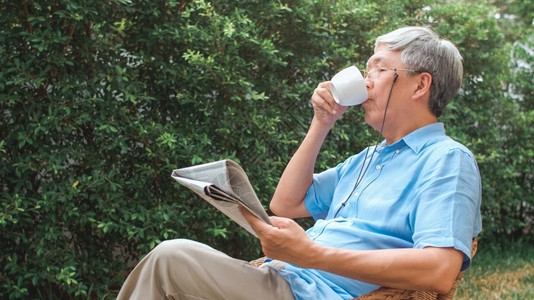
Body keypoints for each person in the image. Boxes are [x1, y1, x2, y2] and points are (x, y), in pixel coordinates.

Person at [117, 26, 482, 300]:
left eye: (378, 70)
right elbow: (286, 204)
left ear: (420, 86)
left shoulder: (447, 161)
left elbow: (439, 270)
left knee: (171, 257)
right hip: (284, 278)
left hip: (310, 292)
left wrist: (310, 254)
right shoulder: (367, 159)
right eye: (366, 71)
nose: (366, 82)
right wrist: (322, 121)